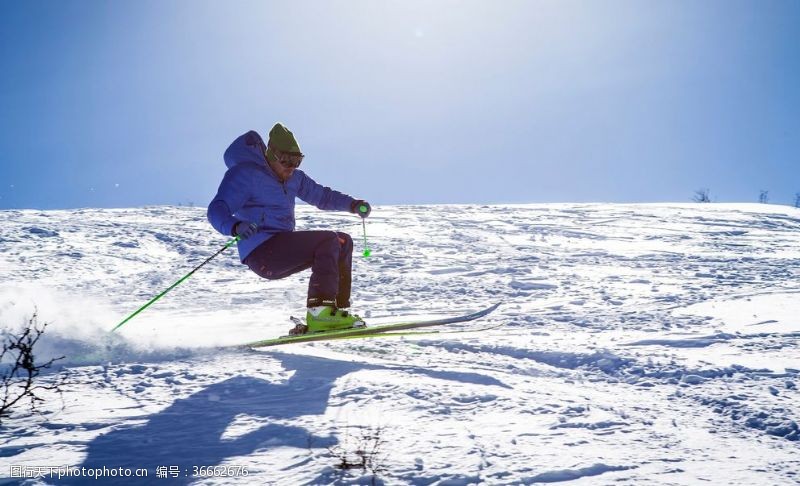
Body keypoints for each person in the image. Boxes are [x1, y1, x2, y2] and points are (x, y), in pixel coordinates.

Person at [207, 123, 371, 334]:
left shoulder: (294, 178)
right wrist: (235, 226)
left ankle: (335, 312)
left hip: (282, 245)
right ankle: (320, 312)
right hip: (262, 252)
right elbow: (216, 209)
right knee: (327, 240)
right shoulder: (246, 174)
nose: (291, 167)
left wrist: (353, 204)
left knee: (342, 241)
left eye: (297, 160)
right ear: (272, 155)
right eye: (286, 160)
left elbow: (322, 196)